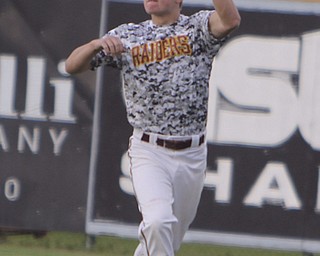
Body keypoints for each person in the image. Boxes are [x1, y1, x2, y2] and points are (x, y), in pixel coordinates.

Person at [66, 0, 240, 255]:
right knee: (158, 221)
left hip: (192, 153)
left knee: (167, 239)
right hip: (149, 150)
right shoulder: (128, 35)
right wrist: (95, 45)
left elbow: (230, 19)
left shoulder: (196, 29)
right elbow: (72, 66)